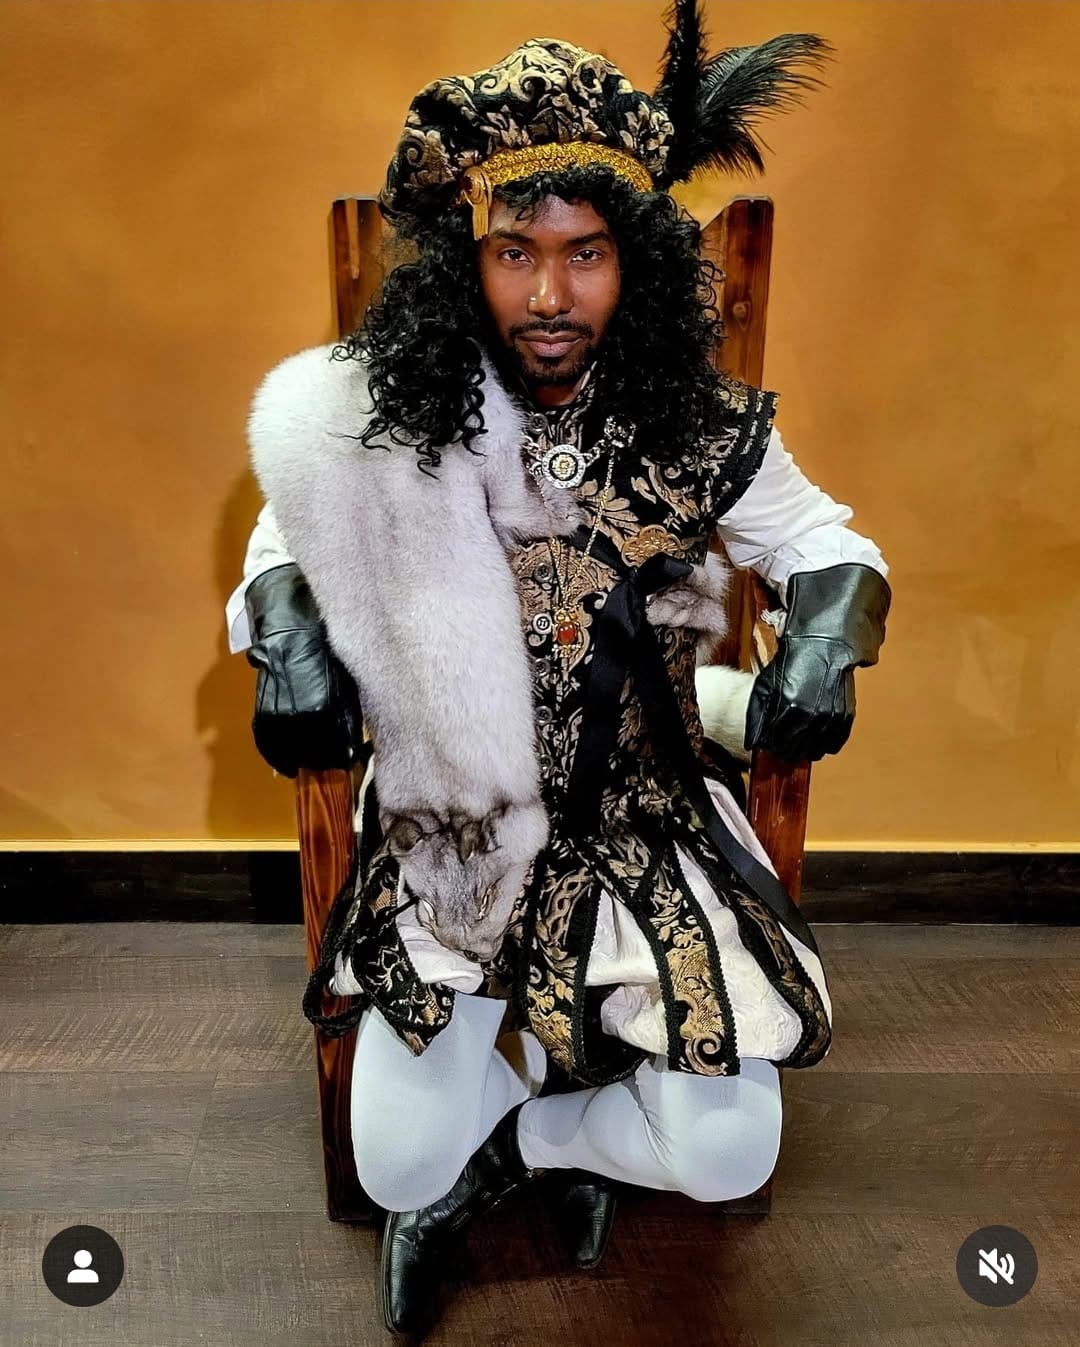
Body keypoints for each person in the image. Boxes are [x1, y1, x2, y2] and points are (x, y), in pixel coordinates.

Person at [225, 2, 891, 1337]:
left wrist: (825, 637)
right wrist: (287, 636)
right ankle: (496, 1133)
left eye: (585, 254)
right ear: (463, 262)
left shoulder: (699, 424)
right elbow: (281, 536)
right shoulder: (392, 416)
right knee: (393, 1167)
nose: (547, 296)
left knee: (728, 1153)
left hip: (644, 813)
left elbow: (830, 545)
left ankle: (532, 1145)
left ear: (632, 261)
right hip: (456, 813)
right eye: (514, 252)